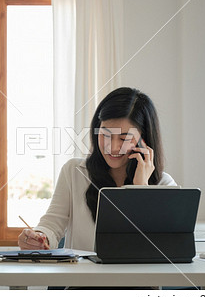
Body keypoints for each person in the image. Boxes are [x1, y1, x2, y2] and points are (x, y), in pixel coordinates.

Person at [18, 87, 177, 251]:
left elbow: (156, 248)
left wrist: (141, 189)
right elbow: (52, 225)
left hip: (135, 277)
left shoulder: (165, 185)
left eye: (124, 138)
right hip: (82, 276)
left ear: (143, 141)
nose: (113, 147)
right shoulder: (74, 171)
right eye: (105, 134)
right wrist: (38, 236)